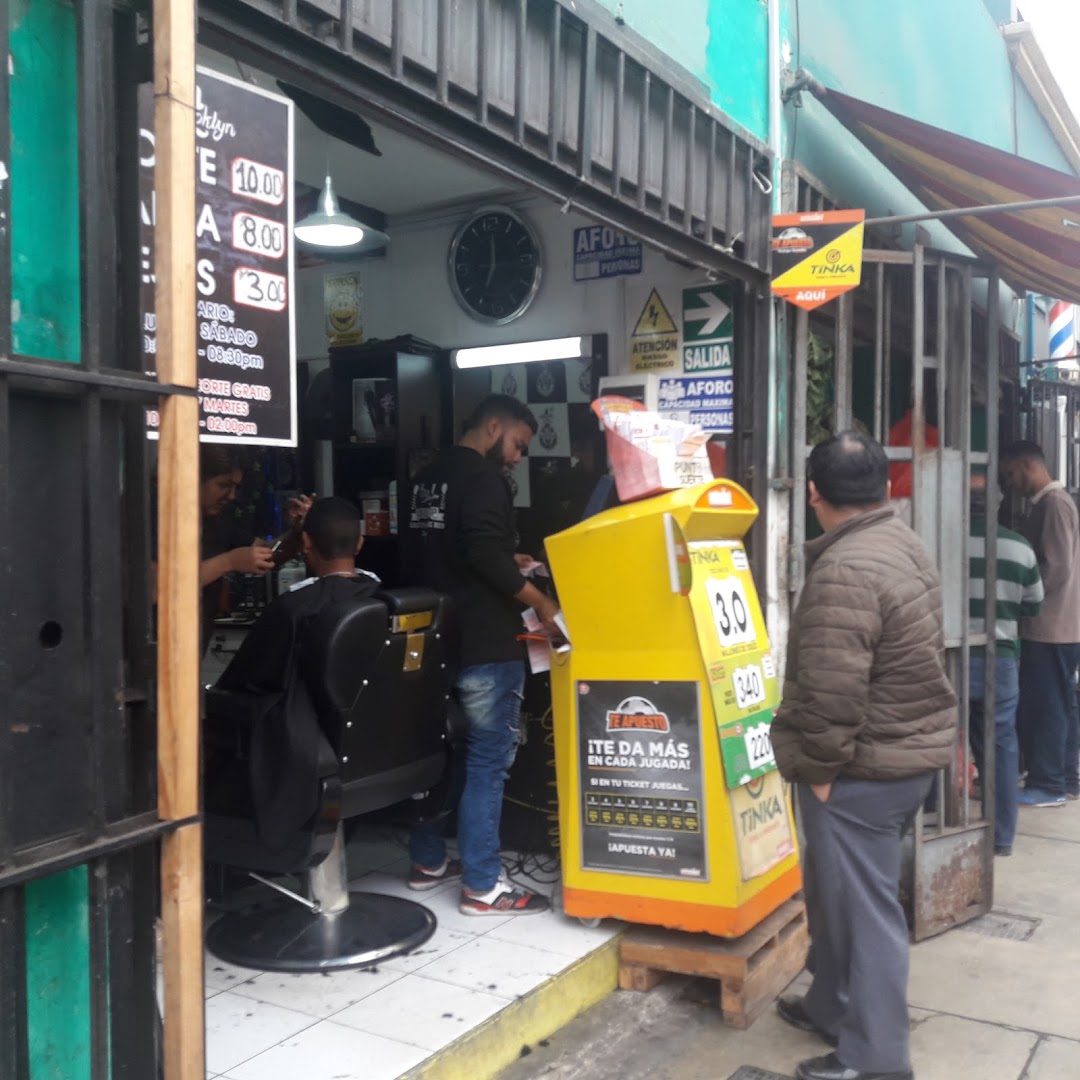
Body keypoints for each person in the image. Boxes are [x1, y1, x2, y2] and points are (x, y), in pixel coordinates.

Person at [771, 431, 957, 1080]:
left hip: (863, 771)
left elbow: (829, 692)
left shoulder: (846, 568)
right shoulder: (902, 543)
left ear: (814, 493)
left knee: (866, 912)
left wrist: (819, 773)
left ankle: (876, 1060)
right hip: (902, 756)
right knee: (834, 899)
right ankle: (831, 1004)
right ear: (883, 487)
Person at [405, 394, 560, 916]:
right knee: (487, 762)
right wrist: (542, 603)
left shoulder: (426, 478)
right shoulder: (486, 479)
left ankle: (427, 862)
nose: (517, 457)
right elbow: (481, 554)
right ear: (493, 426)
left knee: (433, 754)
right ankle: (482, 884)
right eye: (517, 444)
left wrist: (503, 559)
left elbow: (456, 551)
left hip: (433, 641)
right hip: (485, 645)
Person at [215, 496, 380, 695]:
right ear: (359, 543)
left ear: (306, 543)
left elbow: (238, 684)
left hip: (299, 723)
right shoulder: (379, 599)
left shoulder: (290, 610)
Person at [967, 473, 1043, 856]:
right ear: (998, 503)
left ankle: (929, 826)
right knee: (1000, 745)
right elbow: (1034, 605)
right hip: (1001, 659)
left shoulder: (940, 543)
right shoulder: (1020, 549)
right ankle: (1001, 838)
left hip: (949, 658)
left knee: (935, 740)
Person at [1001, 441, 1080, 808]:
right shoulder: (1054, 504)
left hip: (1051, 625)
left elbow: (1057, 566)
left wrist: (1026, 598)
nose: (1011, 481)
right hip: (1061, 625)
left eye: (1012, 472)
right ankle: (1062, 776)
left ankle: (1048, 782)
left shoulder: (1053, 505)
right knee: (1060, 702)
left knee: (1047, 702)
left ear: (1027, 465)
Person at [197, 446, 312, 654]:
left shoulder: (219, 520)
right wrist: (229, 561)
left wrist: (296, 533)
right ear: (193, 478)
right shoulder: (154, 514)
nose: (231, 496)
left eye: (235, 488)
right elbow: (157, 586)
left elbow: (268, 555)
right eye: (223, 485)